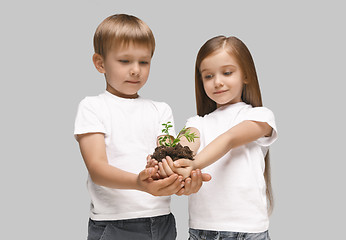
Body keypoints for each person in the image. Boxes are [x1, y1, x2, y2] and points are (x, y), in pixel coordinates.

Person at [74, 14, 209, 240]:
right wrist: (138, 183)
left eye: (144, 62)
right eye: (125, 61)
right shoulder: (93, 107)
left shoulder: (161, 110)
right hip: (115, 224)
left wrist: (182, 181)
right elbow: (97, 169)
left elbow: (166, 156)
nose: (136, 70)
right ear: (100, 63)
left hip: (163, 220)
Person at [158, 36, 278, 240]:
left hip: (248, 231)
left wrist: (193, 164)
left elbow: (230, 139)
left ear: (246, 75)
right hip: (202, 231)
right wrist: (170, 161)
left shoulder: (260, 116)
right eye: (208, 76)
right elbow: (186, 145)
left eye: (227, 72)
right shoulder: (196, 122)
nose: (218, 82)